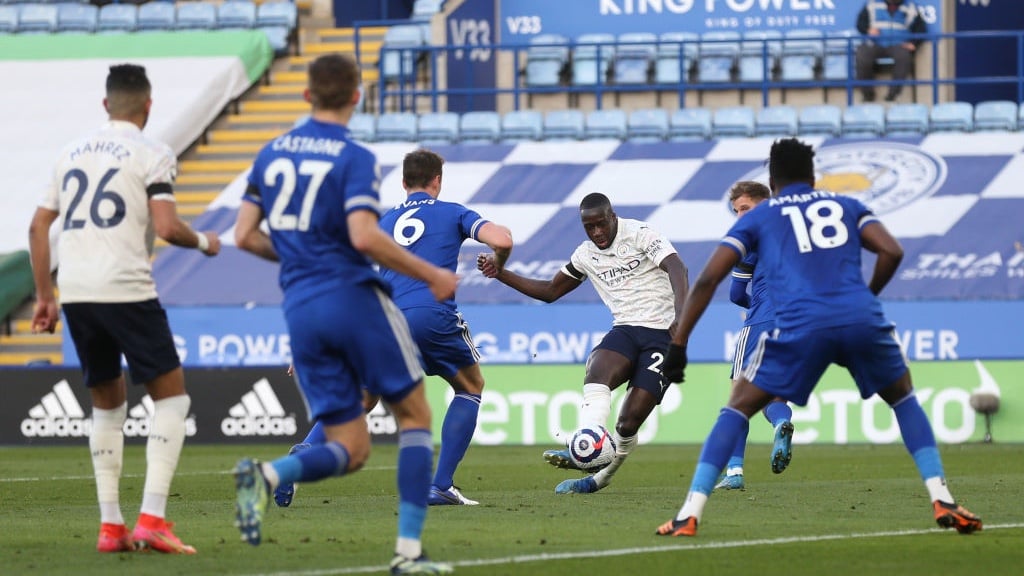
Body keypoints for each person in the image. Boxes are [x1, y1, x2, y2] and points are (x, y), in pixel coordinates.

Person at [655, 138, 982, 538]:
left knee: (737, 408)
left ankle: (690, 513)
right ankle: (942, 498)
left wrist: (680, 343)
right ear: (813, 176)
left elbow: (708, 279)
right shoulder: (846, 206)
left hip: (798, 323)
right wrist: (866, 297)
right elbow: (891, 252)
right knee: (903, 397)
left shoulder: (760, 217)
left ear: (771, 181)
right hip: (860, 317)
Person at [231, 53, 456, 575]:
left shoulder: (269, 155)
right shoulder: (354, 157)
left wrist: (298, 255)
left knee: (351, 446)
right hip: (353, 299)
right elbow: (361, 235)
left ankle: (265, 475)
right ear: (357, 97)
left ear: (306, 95)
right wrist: (431, 274)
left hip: (301, 309)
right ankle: (408, 554)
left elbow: (243, 235)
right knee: (416, 416)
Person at [27, 63, 220, 554]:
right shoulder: (153, 152)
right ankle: (152, 518)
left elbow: (38, 227)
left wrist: (46, 297)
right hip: (126, 287)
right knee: (172, 400)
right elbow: (169, 226)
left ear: (105, 104)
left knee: (107, 405)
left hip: (76, 289)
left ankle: (111, 526)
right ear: (148, 107)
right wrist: (205, 241)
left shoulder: (69, 152)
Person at [274, 148, 513, 509]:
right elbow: (503, 239)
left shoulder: (381, 223)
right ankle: (441, 485)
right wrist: (498, 261)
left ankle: (304, 452)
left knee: (364, 398)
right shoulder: (454, 213)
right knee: (470, 386)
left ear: (403, 183)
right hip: (431, 314)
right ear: (437, 181)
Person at [477, 192, 688, 495]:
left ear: (612, 216)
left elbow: (678, 269)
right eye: (590, 228)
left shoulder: (640, 235)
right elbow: (551, 291)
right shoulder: (586, 255)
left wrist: (680, 318)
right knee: (598, 368)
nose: (597, 233)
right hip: (626, 328)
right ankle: (586, 443)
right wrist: (501, 274)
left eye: (601, 224)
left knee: (628, 422)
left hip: (662, 335)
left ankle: (600, 477)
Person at [715, 181, 793, 491]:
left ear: (764, 203)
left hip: (762, 321)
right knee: (775, 397)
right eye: (736, 212)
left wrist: (756, 307)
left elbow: (736, 293)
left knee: (738, 400)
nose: (740, 217)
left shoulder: (748, 237)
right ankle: (780, 423)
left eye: (745, 209)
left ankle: (734, 472)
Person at [855, 0, 927, 102]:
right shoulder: (872, 4)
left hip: (898, 44)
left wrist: (914, 43)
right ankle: (868, 94)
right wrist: (868, 30)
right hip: (876, 43)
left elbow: (921, 29)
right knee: (862, 55)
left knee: (903, 57)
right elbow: (860, 23)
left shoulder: (910, 7)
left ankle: (893, 94)